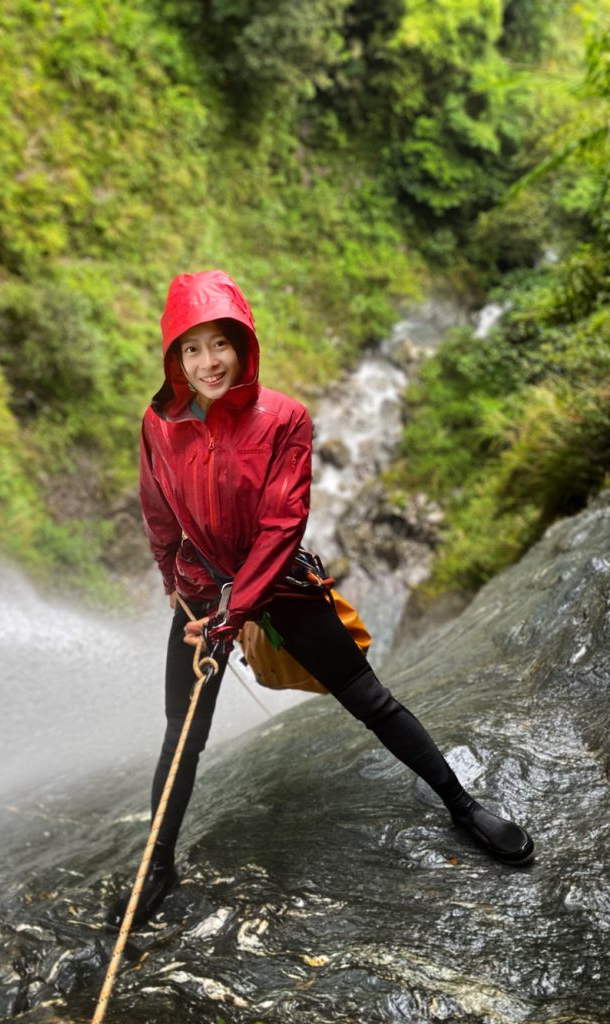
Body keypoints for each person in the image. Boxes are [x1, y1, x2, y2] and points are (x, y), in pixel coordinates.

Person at [105, 270, 534, 931]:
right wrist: (175, 582)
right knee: (182, 737)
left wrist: (237, 610)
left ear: (243, 345)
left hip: (278, 585)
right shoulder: (158, 424)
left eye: (219, 343)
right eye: (190, 349)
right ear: (174, 357)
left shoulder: (285, 419)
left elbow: (283, 523)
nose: (207, 361)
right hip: (200, 595)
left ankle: (460, 804)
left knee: (369, 697)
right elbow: (157, 507)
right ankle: (157, 867)